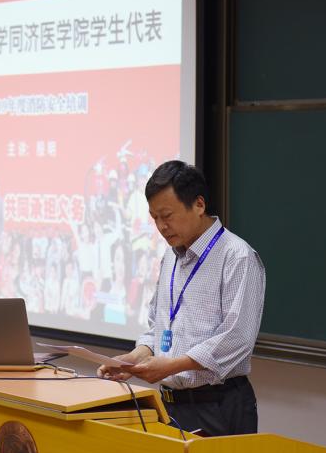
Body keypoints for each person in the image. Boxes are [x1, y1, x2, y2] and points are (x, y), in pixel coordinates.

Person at [98, 161, 266, 437]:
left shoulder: (237, 256)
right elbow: (159, 327)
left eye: (167, 216)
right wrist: (133, 360)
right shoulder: (171, 256)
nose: (162, 227)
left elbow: (237, 338)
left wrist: (172, 366)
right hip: (170, 405)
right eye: (154, 218)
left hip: (219, 405)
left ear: (199, 204)